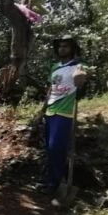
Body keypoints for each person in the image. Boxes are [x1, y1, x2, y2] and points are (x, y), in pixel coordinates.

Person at [44, 36, 87, 198]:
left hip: (65, 112)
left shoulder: (78, 66)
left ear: (72, 49)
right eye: (60, 46)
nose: (62, 49)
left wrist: (79, 71)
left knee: (57, 148)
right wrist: (42, 110)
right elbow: (50, 89)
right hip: (51, 110)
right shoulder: (55, 67)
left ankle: (55, 182)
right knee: (49, 149)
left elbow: (80, 80)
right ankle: (48, 181)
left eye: (66, 47)